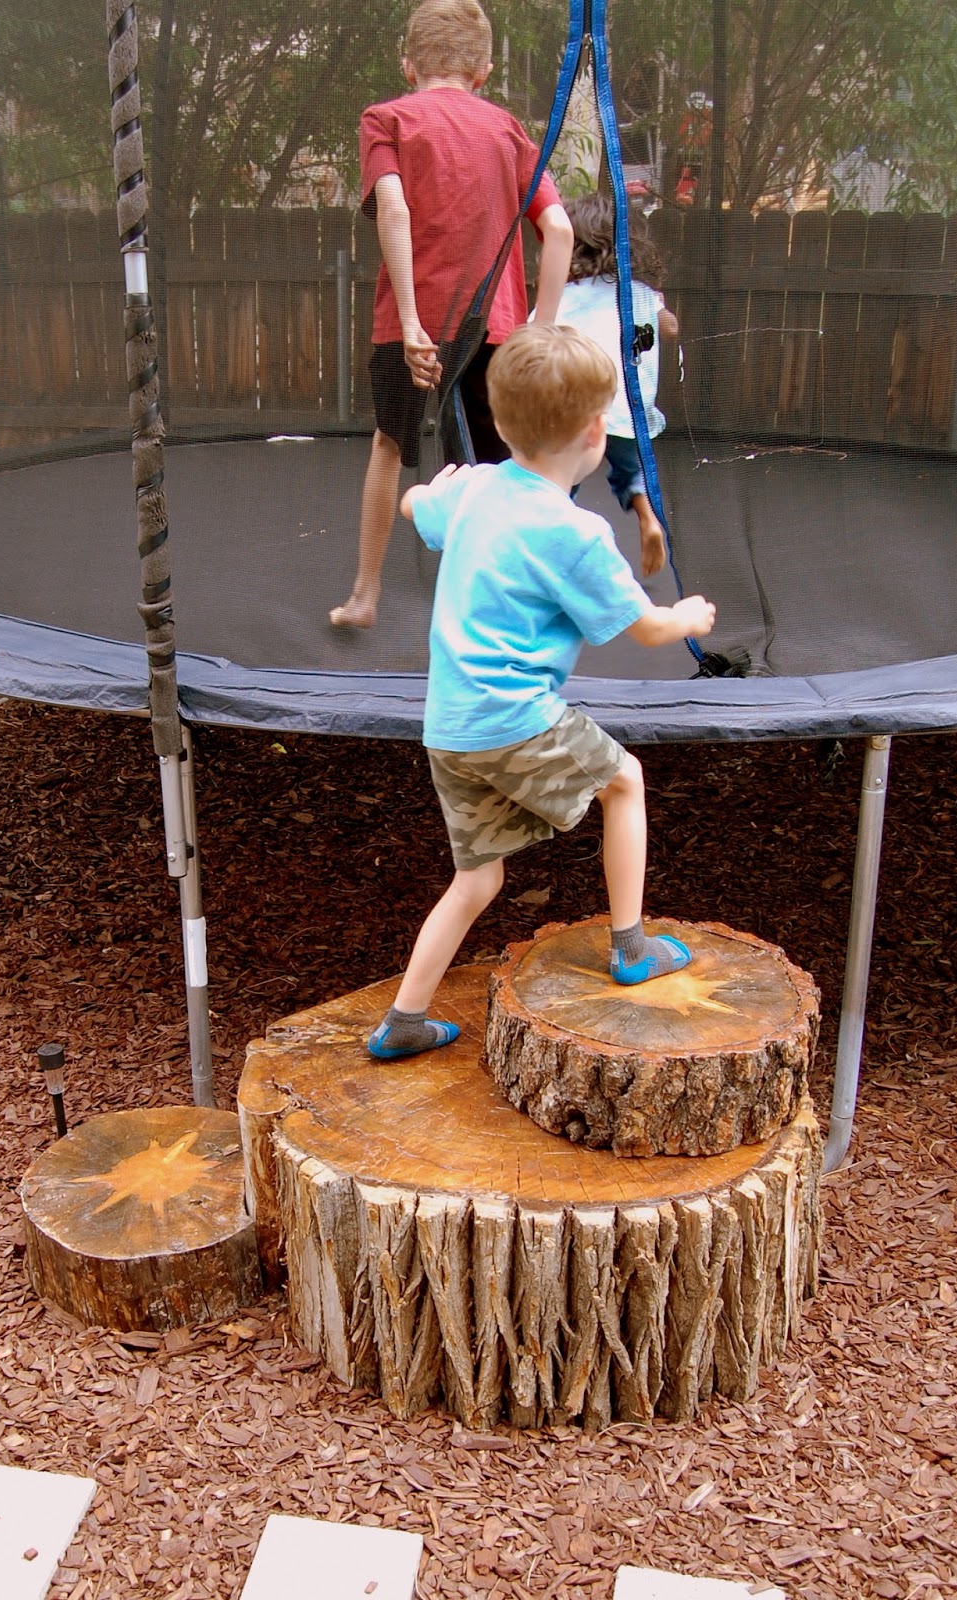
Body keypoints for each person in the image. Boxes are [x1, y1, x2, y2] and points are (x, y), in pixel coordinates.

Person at [366, 322, 716, 1061]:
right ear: (596, 433)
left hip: (450, 728)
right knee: (625, 782)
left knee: (475, 879)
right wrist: (682, 615)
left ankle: (404, 1020)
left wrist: (434, 488)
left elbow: (412, 510)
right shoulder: (574, 532)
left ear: (496, 423)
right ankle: (630, 948)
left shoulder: (478, 491)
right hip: (512, 717)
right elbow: (645, 629)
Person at [329, 0, 574, 630]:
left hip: (407, 328)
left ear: (408, 65)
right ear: (485, 69)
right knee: (498, 472)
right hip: (494, 330)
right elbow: (560, 230)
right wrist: (537, 334)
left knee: (390, 447)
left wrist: (412, 324)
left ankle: (365, 594)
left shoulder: (387, 119)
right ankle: (496, 613)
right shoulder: (507, 130)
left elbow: (394, 208)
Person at [555, 193, 678, 582]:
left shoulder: (568, 296)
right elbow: (671, 326)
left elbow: (538, 337)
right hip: (629, 409)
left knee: (561, 480)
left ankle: (555, 547)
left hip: (580, 412)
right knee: (632, 474)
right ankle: (647, 519)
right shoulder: (639, 293)